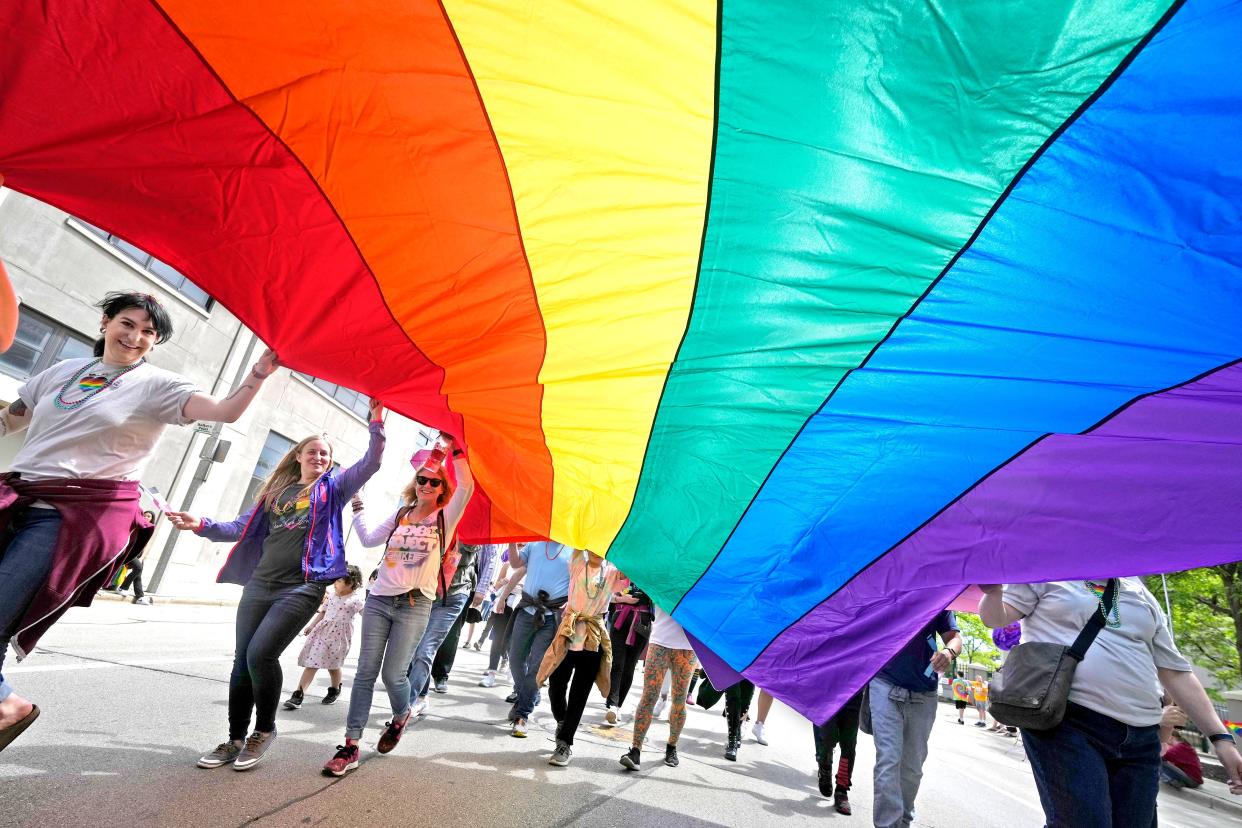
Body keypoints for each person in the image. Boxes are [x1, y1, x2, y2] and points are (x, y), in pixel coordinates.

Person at [0, 291, 276, 753]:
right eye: (128, 324)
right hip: (21, 498)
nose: (136, 337)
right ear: (106, 322)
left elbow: (224, 412)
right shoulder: (62, 372)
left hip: (76, 516)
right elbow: (12, 420)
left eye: (149, 332)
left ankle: (8, 705)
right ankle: (7, 705)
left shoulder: (158, 386)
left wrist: (257, 376)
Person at [170, 398, 385, 772]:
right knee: (241, 662)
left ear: (330, 462)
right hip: (259, 584)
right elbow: (240, 528)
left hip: (300, 587)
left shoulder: (333, 489)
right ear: (299, 455)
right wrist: (201, 523)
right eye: (312, 451)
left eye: (325, 454)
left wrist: (376, 422)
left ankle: (264, 731)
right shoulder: (276, 492)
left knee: (260, 655)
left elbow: (372, 462)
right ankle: (235, 738)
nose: (319, 457)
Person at [979, 579, 1242, 826]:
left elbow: (1175, 670)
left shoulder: (1138, 589)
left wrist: (1221, 739)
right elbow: (995, 617)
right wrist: (992, 592)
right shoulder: (1046, 572)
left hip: (1142, 737)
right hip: (1066, 724)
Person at [321, 442, 472, 776]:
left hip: (415, 604)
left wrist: (457, 450)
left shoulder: (444, 518)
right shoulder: (402, 513)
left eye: (434, 482)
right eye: (422, 479)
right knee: (364, 672)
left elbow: (467, 486)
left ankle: (401, 714)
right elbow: (370, 539)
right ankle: (351, 745)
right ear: (414, 482)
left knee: (393, 675)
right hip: (379, 599)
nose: (426, 485)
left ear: (443, 488)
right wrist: (358, 511)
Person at [869, 609, 961, 828]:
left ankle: (904, 821)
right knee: (888, 760)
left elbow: (955, 638)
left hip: (924, 692)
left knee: (912, 768)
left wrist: (948, 653)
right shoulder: (888, 586)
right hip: (884, 682)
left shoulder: (942, 596)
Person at [535, 548, 618, 766]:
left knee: (580, 694)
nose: (597, 550)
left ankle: (565, 743)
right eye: (594, 544)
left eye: (603, 546)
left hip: (593, 637)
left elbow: (633, 571)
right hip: (569, 633)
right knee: (556, 684)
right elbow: (577, 536)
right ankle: (562, 720)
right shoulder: (577, 562)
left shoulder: (612, 571)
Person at [500, 540, 571, 737]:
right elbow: (515, 565)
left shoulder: (576, 551)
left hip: (552, 616)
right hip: (527, 610)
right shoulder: (534, 545)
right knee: (514, 659)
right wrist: (512, 542)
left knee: (537, 667)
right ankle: (529, 695)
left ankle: (522, 715)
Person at [620, 605, 698, 771]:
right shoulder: (664, 578)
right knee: (649, 696)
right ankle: (635, 750)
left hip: (687, 647)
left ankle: (672, 746)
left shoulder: (699, 580)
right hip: (659, 641)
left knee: (679, 700)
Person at [283, 565, 364, 710]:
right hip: (322, 632)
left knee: (333, 666)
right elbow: (323, 613)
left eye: (339, 581)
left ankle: (334, 689)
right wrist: (311, 626)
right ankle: (298, 695)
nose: (335, 584)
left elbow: (367, 615)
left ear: (350, 583)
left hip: (340, 637)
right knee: (312, 663)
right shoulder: (331, 596)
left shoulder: (356, 600)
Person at [424, 543, 499, 695]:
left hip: (461, 585)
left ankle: (441, 675)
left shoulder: (483, 526)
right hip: (434, 580)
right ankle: (416, 673)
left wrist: (481, 589)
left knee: (451, 633)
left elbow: (490, 559)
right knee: (424, 629)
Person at [604, 575, 652, 724]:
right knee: (617, 664)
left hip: (641, 623)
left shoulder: (655, 574)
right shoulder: (621, 569)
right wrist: (623, 599)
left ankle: (617, 705)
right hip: (620, 619)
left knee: (629, 667)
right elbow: (605, 595)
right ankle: (612, 704)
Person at [813, 688, 864, 816]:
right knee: (827, 737)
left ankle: (841, 791)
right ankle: (825, 767)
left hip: (855, 692)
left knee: (848, 744)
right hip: (828, 689)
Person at [1157, 704, 1202, 789]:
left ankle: (1171, 781)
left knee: (1159, 761)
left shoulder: (1177, 748)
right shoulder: (1183, 745)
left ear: (1172, 737)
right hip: (1194, 779)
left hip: (1192, 781)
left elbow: (1160, 755)